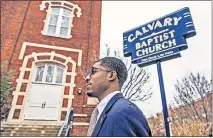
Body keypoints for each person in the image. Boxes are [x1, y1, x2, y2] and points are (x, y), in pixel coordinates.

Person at [85, 57, 152, 137]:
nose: (87, 78)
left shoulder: (125, 111)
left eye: (93, 71)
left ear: (111, 75)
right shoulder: (102, 113)